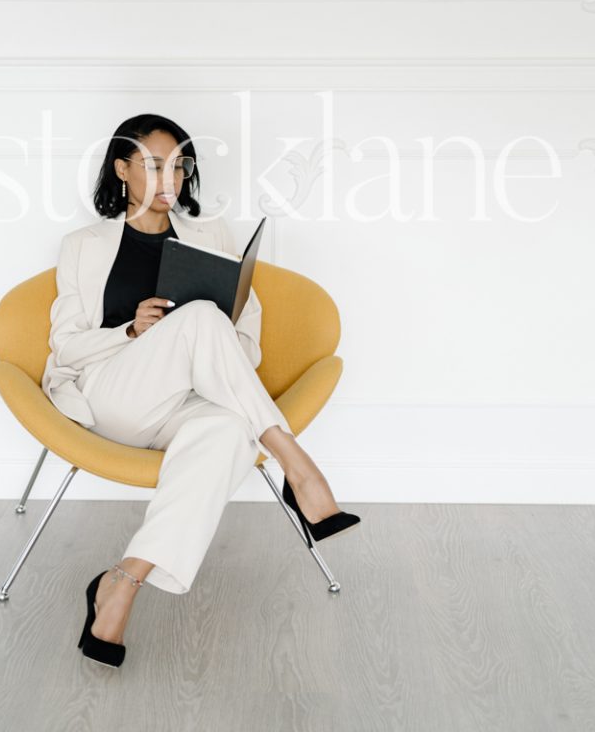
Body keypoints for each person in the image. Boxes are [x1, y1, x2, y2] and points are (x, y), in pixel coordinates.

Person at [41, 112, 360, 667]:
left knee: (228, 428)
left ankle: (122, 583)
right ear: (122, 169)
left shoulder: (209, 237)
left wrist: (197, 336)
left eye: (181, 166)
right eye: (155, 165)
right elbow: (65, 346)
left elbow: (245, 340)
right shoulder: (83, 245)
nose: (171, 179)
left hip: (187, 401)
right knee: (200, 318)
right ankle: (297, 466)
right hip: (113, 396)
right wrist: (131, 330)